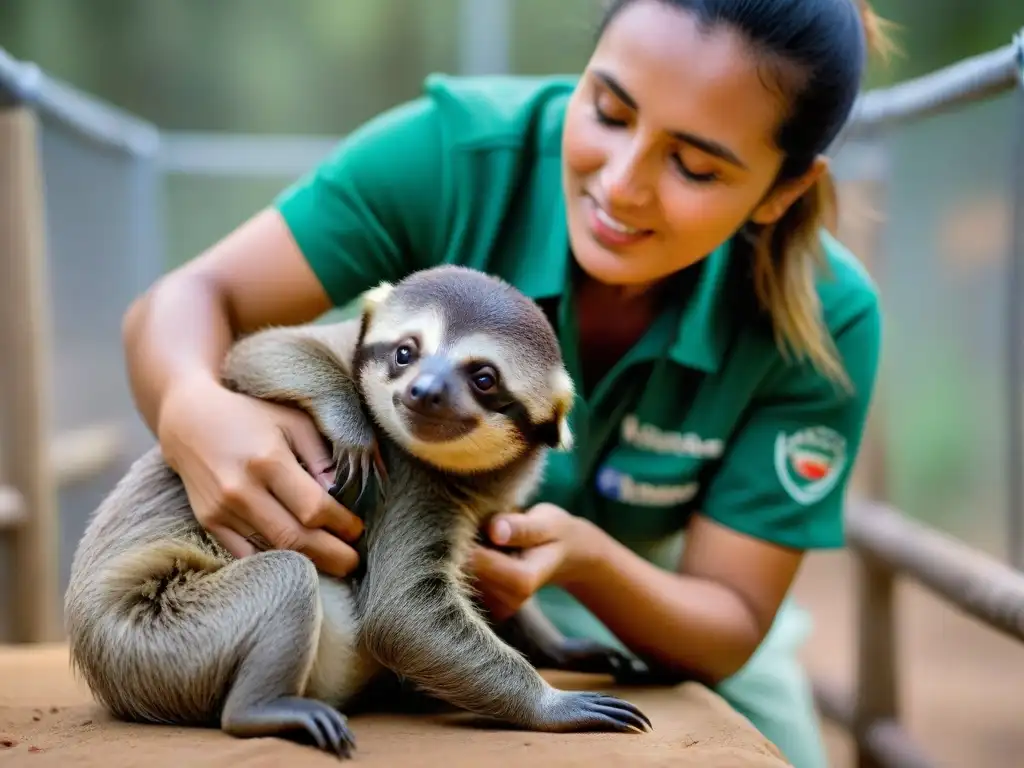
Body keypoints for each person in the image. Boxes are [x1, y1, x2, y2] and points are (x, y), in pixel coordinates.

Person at [121, 1, 892, 765]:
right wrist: (194, 411)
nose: (622, 186)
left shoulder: (826, 320)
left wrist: (585, 559)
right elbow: (189, 299)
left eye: (693, 164)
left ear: (782, 190)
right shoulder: (455, 153)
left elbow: (732, 619)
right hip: (330, 600)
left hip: (634, 614)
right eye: (610, 111)